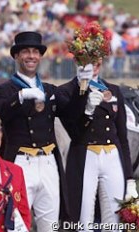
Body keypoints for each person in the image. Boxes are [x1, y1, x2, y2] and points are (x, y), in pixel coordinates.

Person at [0, 31, 69, 232]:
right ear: (16, 56)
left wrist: (83, 85)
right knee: (16, 224)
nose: (31, 56)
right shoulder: (5, 90)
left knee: (50, 225)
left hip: (48, 161)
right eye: (25, 51)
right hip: (20, 162)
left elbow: (71, 112)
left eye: (35, 52)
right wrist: (21, 96)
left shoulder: (50, 90)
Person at [56, 58, 138, 230]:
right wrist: (87, 109)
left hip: (112, 156)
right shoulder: (66, 91)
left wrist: (130, 179)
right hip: (85, 155)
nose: (94, 63)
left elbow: (122, 137)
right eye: (88, 59)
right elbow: (74, 131)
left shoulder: (114, 90)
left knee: (114, 220)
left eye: (97, 58)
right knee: (83, 218)